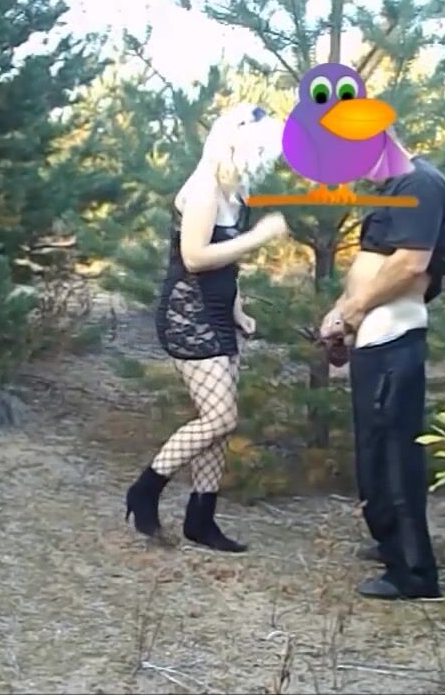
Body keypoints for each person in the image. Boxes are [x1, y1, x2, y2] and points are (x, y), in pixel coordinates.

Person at [124, 103, 289, 553]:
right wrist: (259, 237)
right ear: (236, 142)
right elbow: (195, 258)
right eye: (260, 150)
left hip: (217, 313)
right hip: (188, 315)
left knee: (218, 424)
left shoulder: (235, 192)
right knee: (220, 417)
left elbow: (226, 264)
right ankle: (145, 490)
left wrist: (238, 308)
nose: (264, 160)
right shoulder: (202, 190)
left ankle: (201, 519)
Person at [319, 128, 445, 600]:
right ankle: (389, 543)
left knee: (396, 458)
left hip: (395, 336)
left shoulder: (420, 183)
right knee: (375, 452)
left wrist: (353, 311)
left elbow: (410, 265)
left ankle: (414, 573)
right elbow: (374, 263)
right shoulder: (394, 188)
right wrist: (342, 312)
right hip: (375, 337)